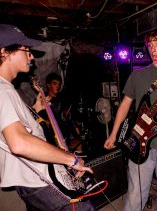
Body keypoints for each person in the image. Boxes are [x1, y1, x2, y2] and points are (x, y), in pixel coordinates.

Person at [0, 24, 97, 211]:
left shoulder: (6, 89)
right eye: (25, 49)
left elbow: (16, 127)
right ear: (5, 52)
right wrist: (71, 160)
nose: (31, 56)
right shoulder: (3, 90)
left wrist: (35, 108)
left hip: (29, 179)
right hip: (37, 178)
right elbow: (19, 143)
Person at [104, 28, 157, 211]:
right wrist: (113, 134)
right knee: (136, 196)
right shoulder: (138, 75)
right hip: (139, 143)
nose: (152, 50)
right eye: (150, 45)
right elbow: (124, 105)